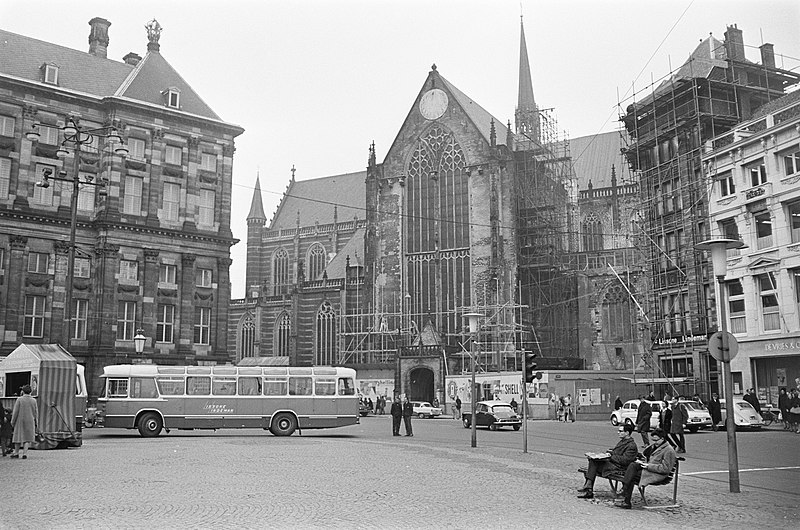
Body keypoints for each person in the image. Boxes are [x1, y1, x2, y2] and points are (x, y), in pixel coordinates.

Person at [616, 428, 677, 509]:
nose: (654, 442)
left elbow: (665, 469)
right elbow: (646, 455)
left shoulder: (669, 450)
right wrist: (641, 461)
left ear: (662, 439)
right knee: (633, 465)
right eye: (653, 440)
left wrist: (648, 466)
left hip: (656, 474)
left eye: (656, 440)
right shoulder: (655, 446)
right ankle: (624, 490)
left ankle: (626, 499)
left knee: (632, 475)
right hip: (648, 469)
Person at [577, 423, 639, 499]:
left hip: (619, 468)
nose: (618, 432)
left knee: (593, 465)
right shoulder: (623, 441)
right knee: (593, 460)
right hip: (614, 464)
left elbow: (625, 461)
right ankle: (589, 487)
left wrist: (611, 456)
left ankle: (589, 488)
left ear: (627, 433)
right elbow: (617, 453)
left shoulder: (631, 445)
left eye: (620, 431)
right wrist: (609, 453)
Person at [10, 384, 38, 459]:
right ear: (30, 392)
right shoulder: (34, 400)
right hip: (30, 420)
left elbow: (15, 412)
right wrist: (36, 422)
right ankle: (24, 454)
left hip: (20, 420)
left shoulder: (19, 399)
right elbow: (36, 412)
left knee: (18, 437)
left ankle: (16, 453)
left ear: (23, 391)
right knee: (27, 438)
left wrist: (12, 422)